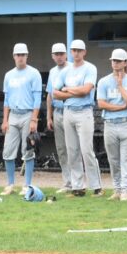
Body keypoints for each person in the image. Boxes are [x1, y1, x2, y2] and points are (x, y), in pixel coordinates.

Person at [52, 39, 102, 197]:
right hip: (68, 111)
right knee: (72, 150)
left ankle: (96, 186)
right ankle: (77, 186)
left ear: (84, 52)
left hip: (84, 111)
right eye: (73, 50)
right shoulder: (65, 70)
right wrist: (72, 91)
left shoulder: (90, 68)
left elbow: (86, 90)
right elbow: (56, 93)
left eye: (79, 50)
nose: (76, 53)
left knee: (87, 150)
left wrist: (68, 89)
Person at [0, 43, 42, 197]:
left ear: (27, 56)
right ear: (14, 56)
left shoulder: (34, 73)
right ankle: (10, 184)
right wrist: (4, 120)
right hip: (13, 115)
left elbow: (37, 98)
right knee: (8, 151)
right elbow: (6, 99)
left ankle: (27, 184)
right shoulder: (9, 75)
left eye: (23, 54)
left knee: (28, 150)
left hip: (28, 114)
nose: (20, 57)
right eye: (18, 54)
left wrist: (34, 119)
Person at [98, 48, 127, 200]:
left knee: (126, 159)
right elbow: (101, 103)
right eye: (113, 60)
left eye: (118, 61)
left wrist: (121, 85)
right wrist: (120, 107)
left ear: (125, 63)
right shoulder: (103, 81)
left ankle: (125, 191)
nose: (115, 63)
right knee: (113, 160)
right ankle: (117, 189)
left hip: (126, 123)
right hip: (109, 123)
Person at [46, 42, 75, 194]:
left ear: (66, 54)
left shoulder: (72, 68)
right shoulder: (52, 71)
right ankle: (67, 182)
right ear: (52, 56)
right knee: (61, 148)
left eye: (61, 53)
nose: (59, 56)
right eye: (56, 54)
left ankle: (77, 181)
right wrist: (48, 117)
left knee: (74, 148)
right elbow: (50, 95)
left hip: (71, 109)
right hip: (57, 111)